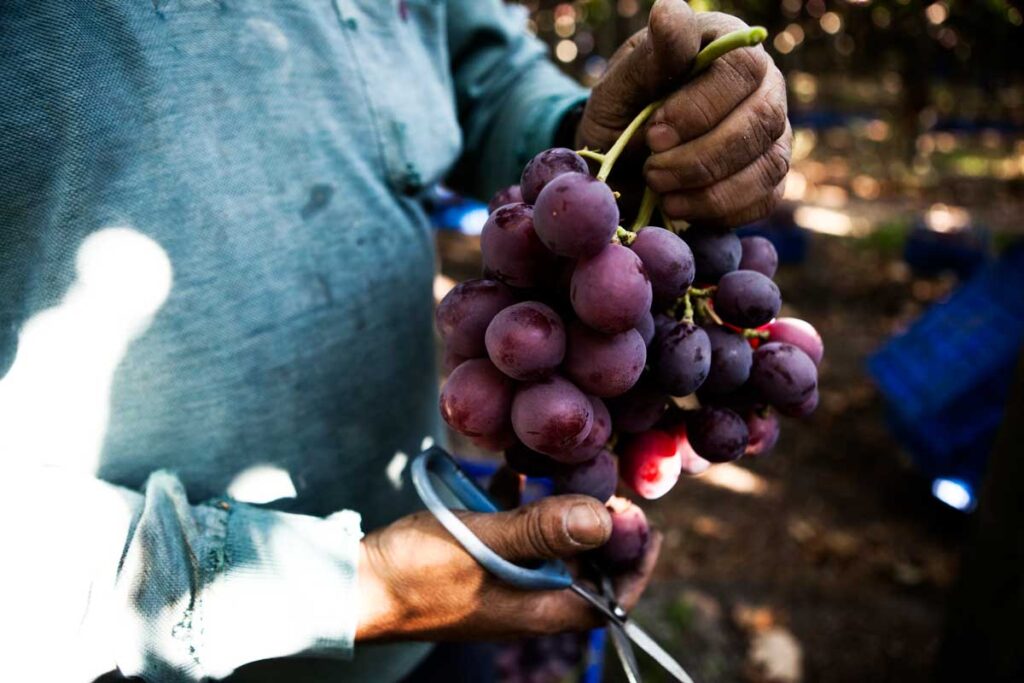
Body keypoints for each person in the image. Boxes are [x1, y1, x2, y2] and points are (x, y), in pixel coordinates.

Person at [0, 0, 790, 681]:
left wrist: (614, 138)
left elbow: (483, 72)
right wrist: (347, 587)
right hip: (112, 653)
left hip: (444, 592)